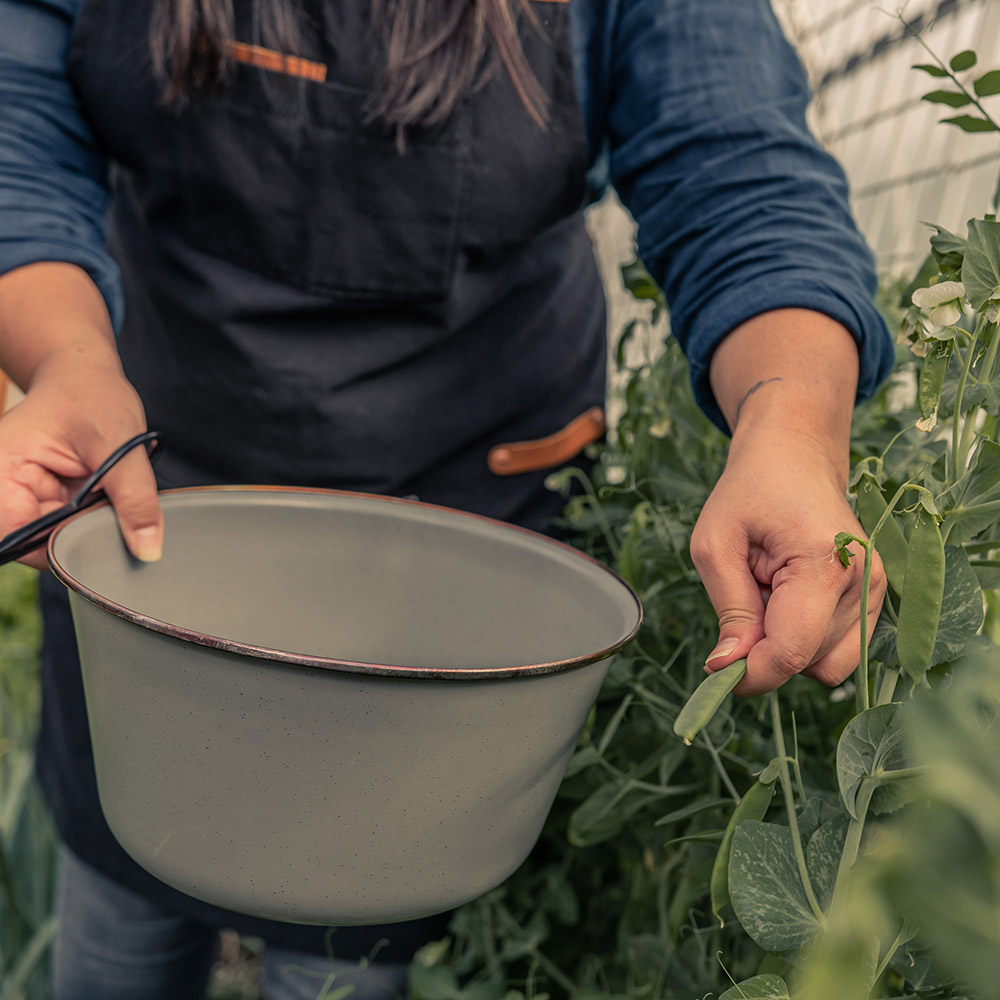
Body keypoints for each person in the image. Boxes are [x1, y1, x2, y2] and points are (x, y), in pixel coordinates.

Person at [0, 0, 895, 996]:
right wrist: (66, 360)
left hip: (453, 535)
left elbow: (734, 168)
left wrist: (789, 423)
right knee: (122, 916)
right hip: (161, 489)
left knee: (350, 941)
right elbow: (17, 122)